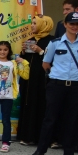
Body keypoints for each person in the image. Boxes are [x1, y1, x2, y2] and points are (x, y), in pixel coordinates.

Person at [31, 12, 78, 155]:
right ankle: (41, 149)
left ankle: (69, 152)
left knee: (72, 120)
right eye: (71, 23)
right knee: (50, 118)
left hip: (76, 87)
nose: (74, 26)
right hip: (57, 85)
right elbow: (46, 64)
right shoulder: (55, 43)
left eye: (77, 24)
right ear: (65, 24)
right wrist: (56, 76)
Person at [17, 16, 55, 146]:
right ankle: (27, 136)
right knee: (29, 105)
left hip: (44, 81)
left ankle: (43, 139)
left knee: (43, 106)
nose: (32, 26)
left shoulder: (52, 41)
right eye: (32, 23)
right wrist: (22, 52)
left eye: (34, 23)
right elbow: (25, 60)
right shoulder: (31, 40)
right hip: (30, 81)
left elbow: (55, 60)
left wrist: (40, 51)